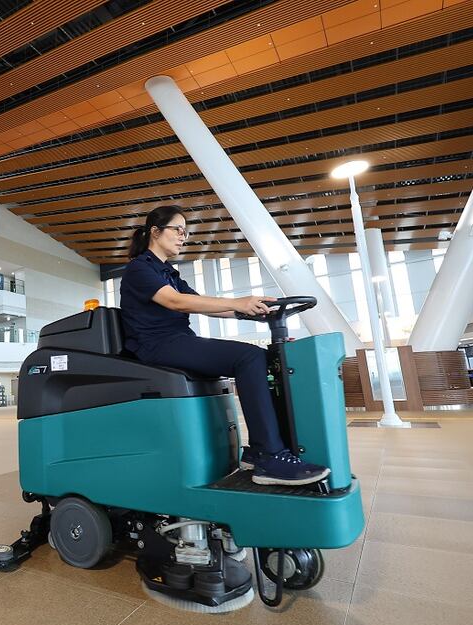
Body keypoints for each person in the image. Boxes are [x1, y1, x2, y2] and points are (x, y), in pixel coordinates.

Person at [119, 205, 330, 486]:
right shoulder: (139, 268)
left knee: (263, 358)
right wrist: (237, 302)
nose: (183, 236)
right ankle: (270, 456)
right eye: (177, 230)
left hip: (178, 341)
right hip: (156, 344)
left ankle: (259, 450)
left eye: (186, 232)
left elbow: (206, 306)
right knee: (248, 357)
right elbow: (176, 302)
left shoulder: (169, 273)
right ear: (155, 232)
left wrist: (252, 310)